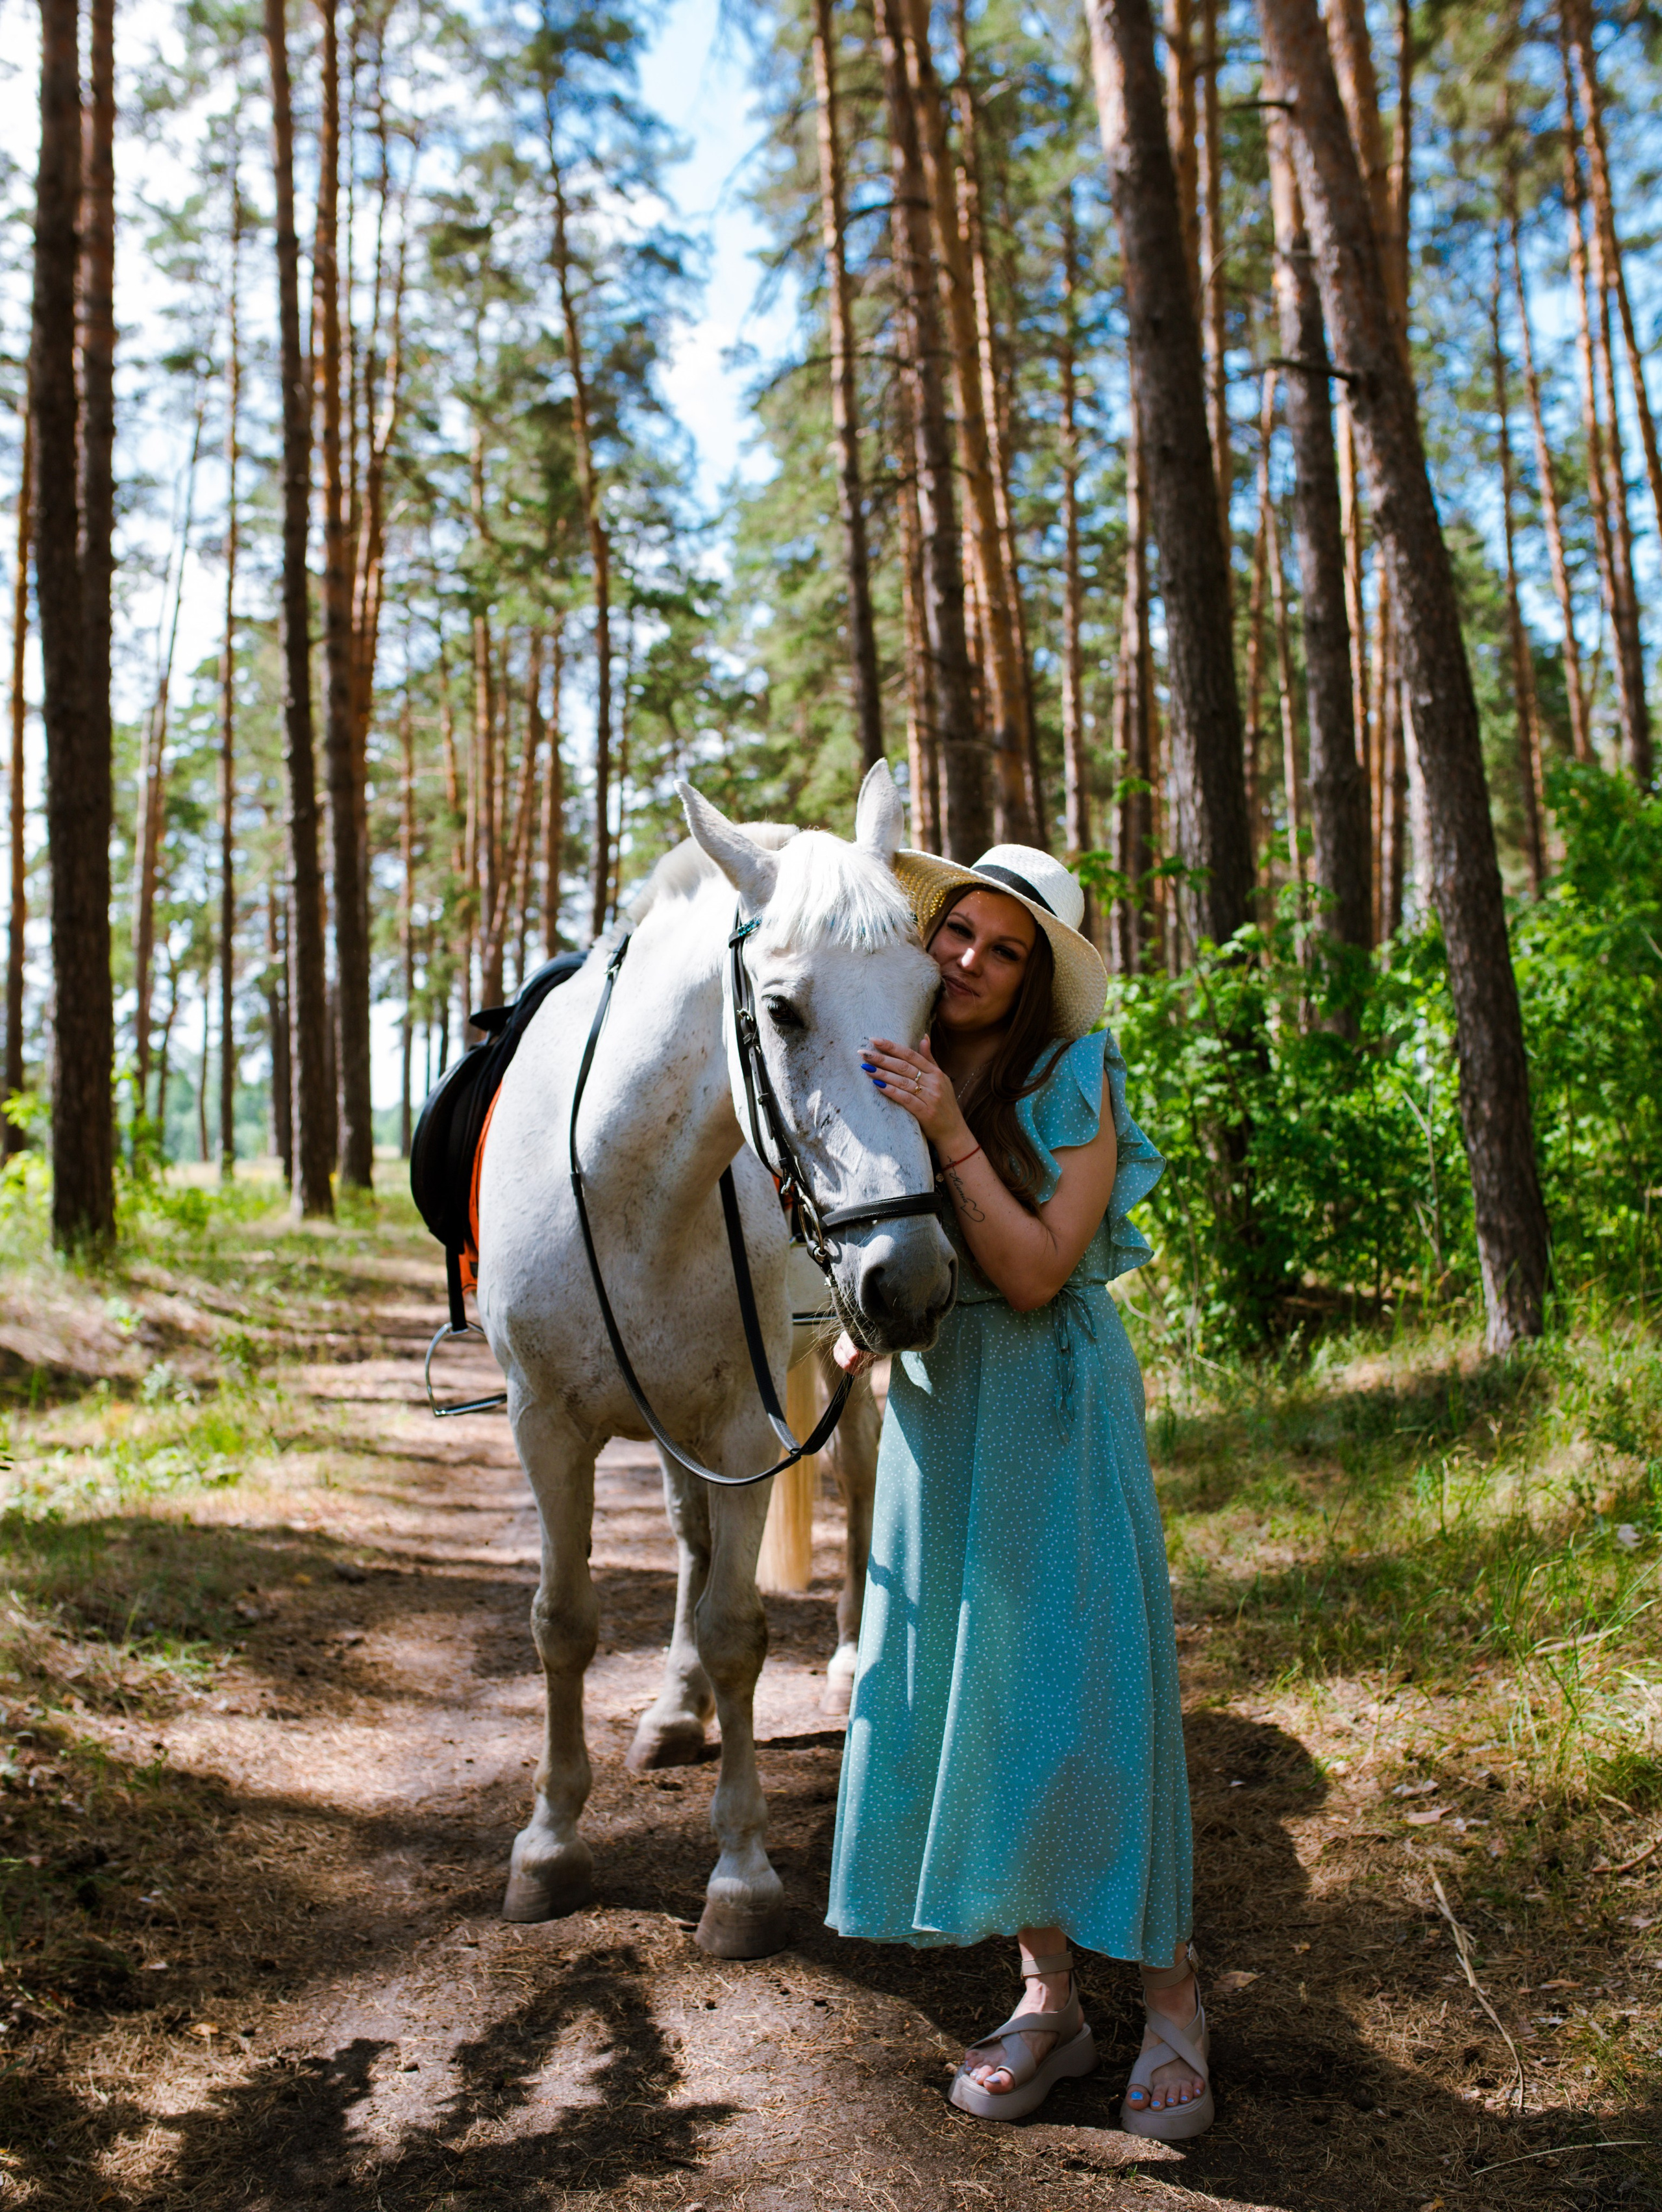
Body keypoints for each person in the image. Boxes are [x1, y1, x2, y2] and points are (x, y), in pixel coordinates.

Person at [825, 842, 1209, 2137]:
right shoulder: (895, 1060)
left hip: (1050, 1395)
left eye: (1005, 949)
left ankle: (1172, 2000)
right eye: (960, 933)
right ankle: (1048, 2000)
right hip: (943, 1406)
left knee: (1091, 1692)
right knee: (973, 1695)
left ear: (1038, 975)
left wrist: (946, 1129)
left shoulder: (1072, 1073)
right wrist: (863, 1319)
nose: (972, 962)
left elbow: (1041, 1269)